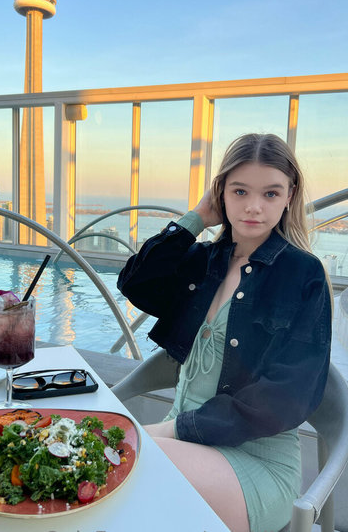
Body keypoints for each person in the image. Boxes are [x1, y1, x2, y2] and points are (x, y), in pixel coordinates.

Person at [117, 133, 332, 532]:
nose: (253, 207)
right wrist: (197, 218)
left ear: (290, 196)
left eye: (271, 193)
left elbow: (287, 395)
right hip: (182, 445)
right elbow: (135, 283)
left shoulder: (303, 275)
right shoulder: (202, 262)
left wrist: (173, 429)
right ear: (221, 193)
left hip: (255, 462)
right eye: (239, 191)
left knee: (123, 461)